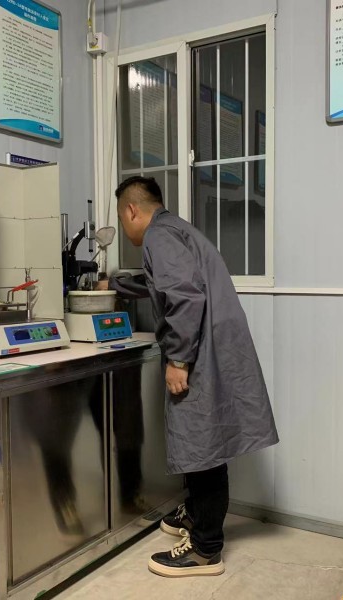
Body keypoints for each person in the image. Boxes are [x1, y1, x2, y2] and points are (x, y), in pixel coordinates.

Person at [97, 176, 279, 578]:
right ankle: (195, 513)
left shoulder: (158, 238)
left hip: (199, 353)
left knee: (202, 447)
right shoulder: (175, 229)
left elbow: (184, 296)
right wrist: (119, 284)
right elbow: (167, 284)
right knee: (204, 441)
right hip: (213, 347)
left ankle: (205, 550)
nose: (124, 229)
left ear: (131, 210)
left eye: (121, 219)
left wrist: (179, 359)